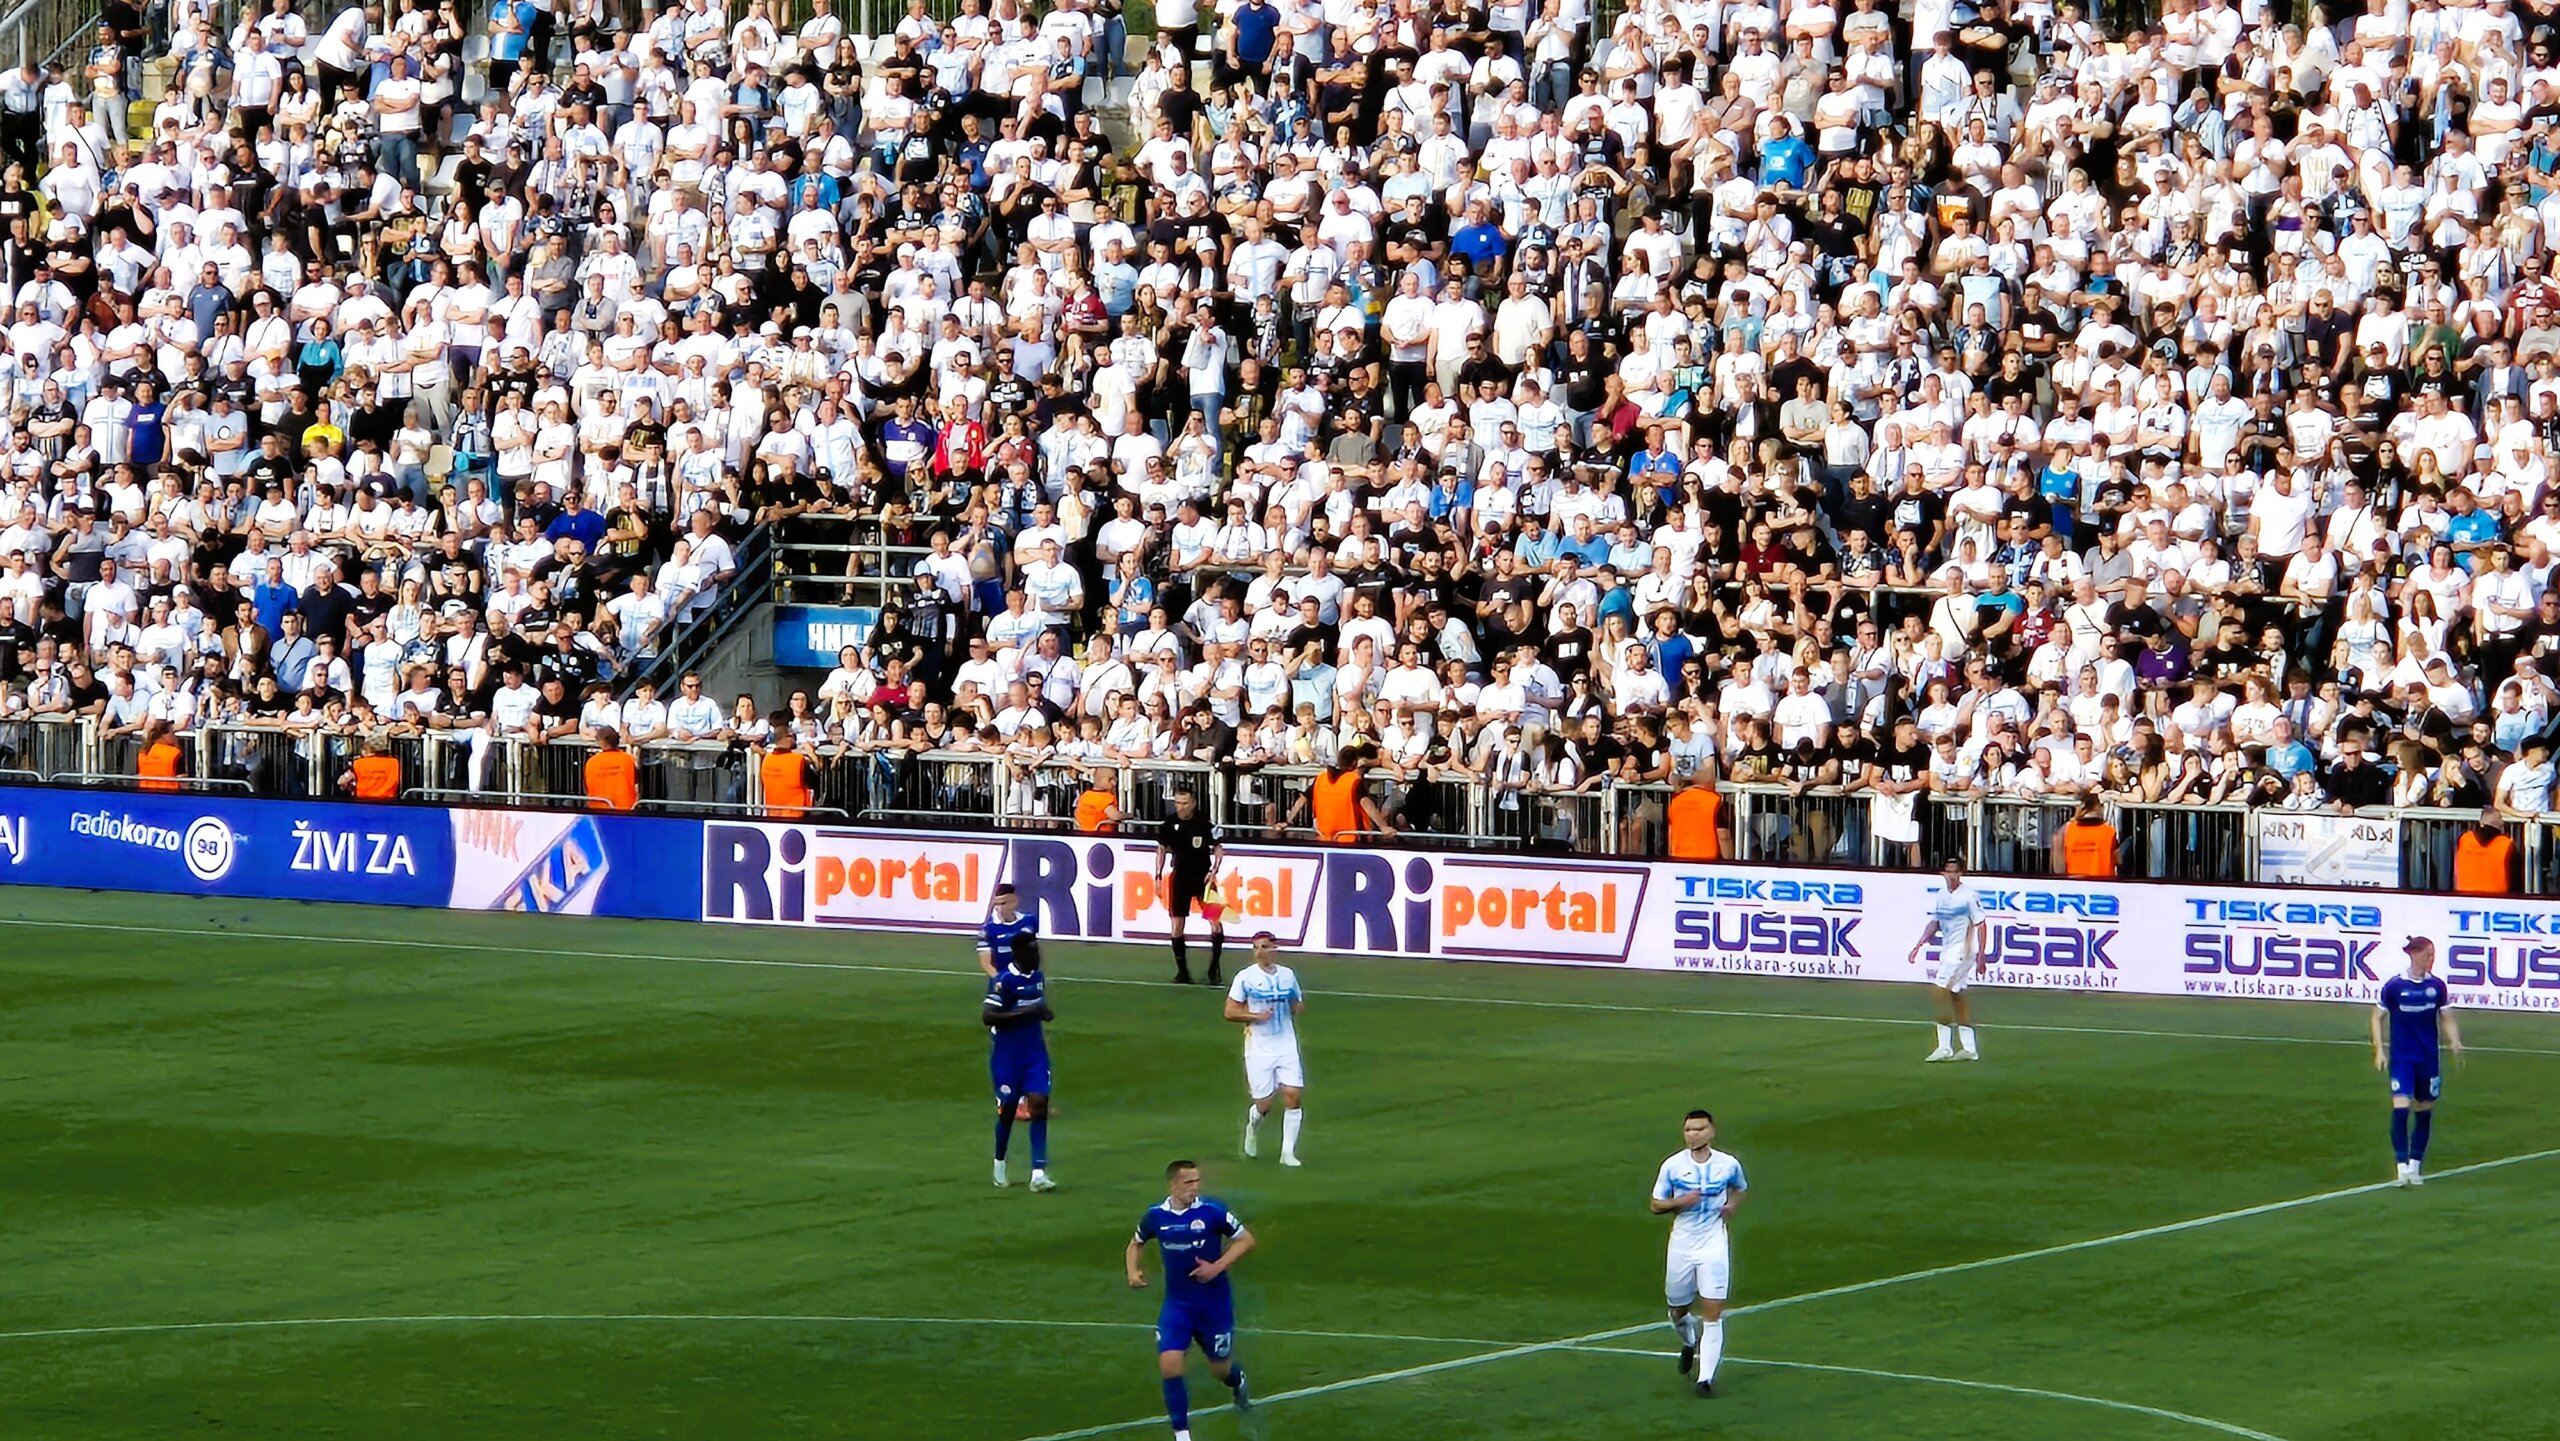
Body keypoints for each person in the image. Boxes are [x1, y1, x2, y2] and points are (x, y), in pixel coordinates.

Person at [1126, 1159, 1255, 1441]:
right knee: (1169, 1364)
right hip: (1178, 1305)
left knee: (1220, 1370)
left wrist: (1217, 1267)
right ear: (1173, 1184)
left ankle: (1237, 1380)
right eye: (1188, 1182)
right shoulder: (1156, 1216)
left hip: (1214, 1306)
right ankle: (1182, 1434)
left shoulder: (1212, 1211)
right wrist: (1133, 1271)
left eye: (1197, 1181)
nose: (1194, 1187)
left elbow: (1246, 1240)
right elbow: (1136, 1243)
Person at [1649, 1108, 1747, 1398]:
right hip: (1682, 1245)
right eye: (1689, 1130)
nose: (1693, 1135)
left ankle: (1705, 1379)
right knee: (1678, 1310)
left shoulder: (1728, 1164)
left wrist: (1732, 1206)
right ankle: (1688, 1342)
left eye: (1699, 1129)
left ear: (1712, 1132)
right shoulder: (1672, 1166)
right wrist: (1681, 1201)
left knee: (1712, 1312)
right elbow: (1655, 1205)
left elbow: (1740, 1188)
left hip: (1714, 1244)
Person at [981, 884, 1055, 1192]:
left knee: (1039, 1104)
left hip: (1034, 1053)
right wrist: (1030, 1012)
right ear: (1020, 954)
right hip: (1008, 1055)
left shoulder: (1037, 978)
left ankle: (1038, 1172)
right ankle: (1000, 1161)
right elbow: (988, 1016)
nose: (1038, 955)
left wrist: (1041, 1021)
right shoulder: (1005, 981)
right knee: (1009, 1111)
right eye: (1033, 952)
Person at [2373, 936, 2463, 1187]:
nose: (2431, 960)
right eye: (2427, 955)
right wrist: (2379, 1050)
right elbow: (2376, 1017)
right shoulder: (2394, 987)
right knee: (2401, 1107)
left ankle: (2415, 1165)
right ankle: (2401, 1166)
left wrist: (2455, 1040)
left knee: (2424, 1111)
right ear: (2414, 955)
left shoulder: (2437, 986)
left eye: (2432, 955)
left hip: (2428, 1059)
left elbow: (2446, 1017)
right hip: (2403, 1059)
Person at [1222, 932, 1304, 1166]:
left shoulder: (1288, 975)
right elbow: (1229, 1012)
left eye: (1265, 947)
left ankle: (1287, 1153)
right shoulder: (1245, 978)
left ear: (1274, 949)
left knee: (1293, 1095)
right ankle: (1252, 1127)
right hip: (1259, 1047)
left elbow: (1297, 1001)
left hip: (1286, 1043)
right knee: (1264, 1103)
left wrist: (1297, 1007)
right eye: (1256, 947)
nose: (1259, 952)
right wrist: (1255, 1016)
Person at [1906, 857, 1988, 1062]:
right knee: (1955, 995)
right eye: (1948, 871)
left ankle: (1944, 1046)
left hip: (1962, 950)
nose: (1951, 875)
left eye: (1955, 871)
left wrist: (1981, 955)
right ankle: (1969, 1048)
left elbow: (1981, 924)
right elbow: (1935, 922)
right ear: (1943, 873)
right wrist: (1919, 945)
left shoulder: (1968, 896)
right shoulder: (1942, 895)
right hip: (1948, 950)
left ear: (1961, 873)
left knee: (1939, 991)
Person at [1154, 787, 1225, 984]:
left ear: (1193, 803)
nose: (1181, 807)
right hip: (1180, 878)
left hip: (1203, 878)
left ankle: (1214, 968)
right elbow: (1161, 850)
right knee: (1177, 925)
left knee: (1216, 922)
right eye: (1177, 803)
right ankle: (1182, 971)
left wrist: (1214, 870)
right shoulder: (1169, 824)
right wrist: (1158, 875)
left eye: (1184, 803)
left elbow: (1218, 849)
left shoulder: (1204, 823)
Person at [2451, 809, 2515, 896]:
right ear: (2501, 824)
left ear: (2481, 822)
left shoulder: (2464, 839)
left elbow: (2455, 871)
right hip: (2497, 898)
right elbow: (2514, 880)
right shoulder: (2507, 844)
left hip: (2465, 897)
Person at [1665, 770, 1725, 860]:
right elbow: (1723, 836)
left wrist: (1670, 857)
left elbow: (1671, 835)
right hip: (1709, 860)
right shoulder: (1715, 801)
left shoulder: (1676, 801)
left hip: (1679, 859)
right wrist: (1729, 861)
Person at [2058, 796, 2116, 878]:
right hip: (2103, 882)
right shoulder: (2109, 831)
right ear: (2099, 807)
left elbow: (2058, 867)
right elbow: (2119, 859)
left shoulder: (2067, 830)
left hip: (2073, 882)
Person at [583, 727, 638, 811]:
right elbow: (636, 782)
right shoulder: (628, 759)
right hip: (625, 808)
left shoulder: (592, 761)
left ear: (600, 741)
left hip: (598, 808)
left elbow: (586, 786)